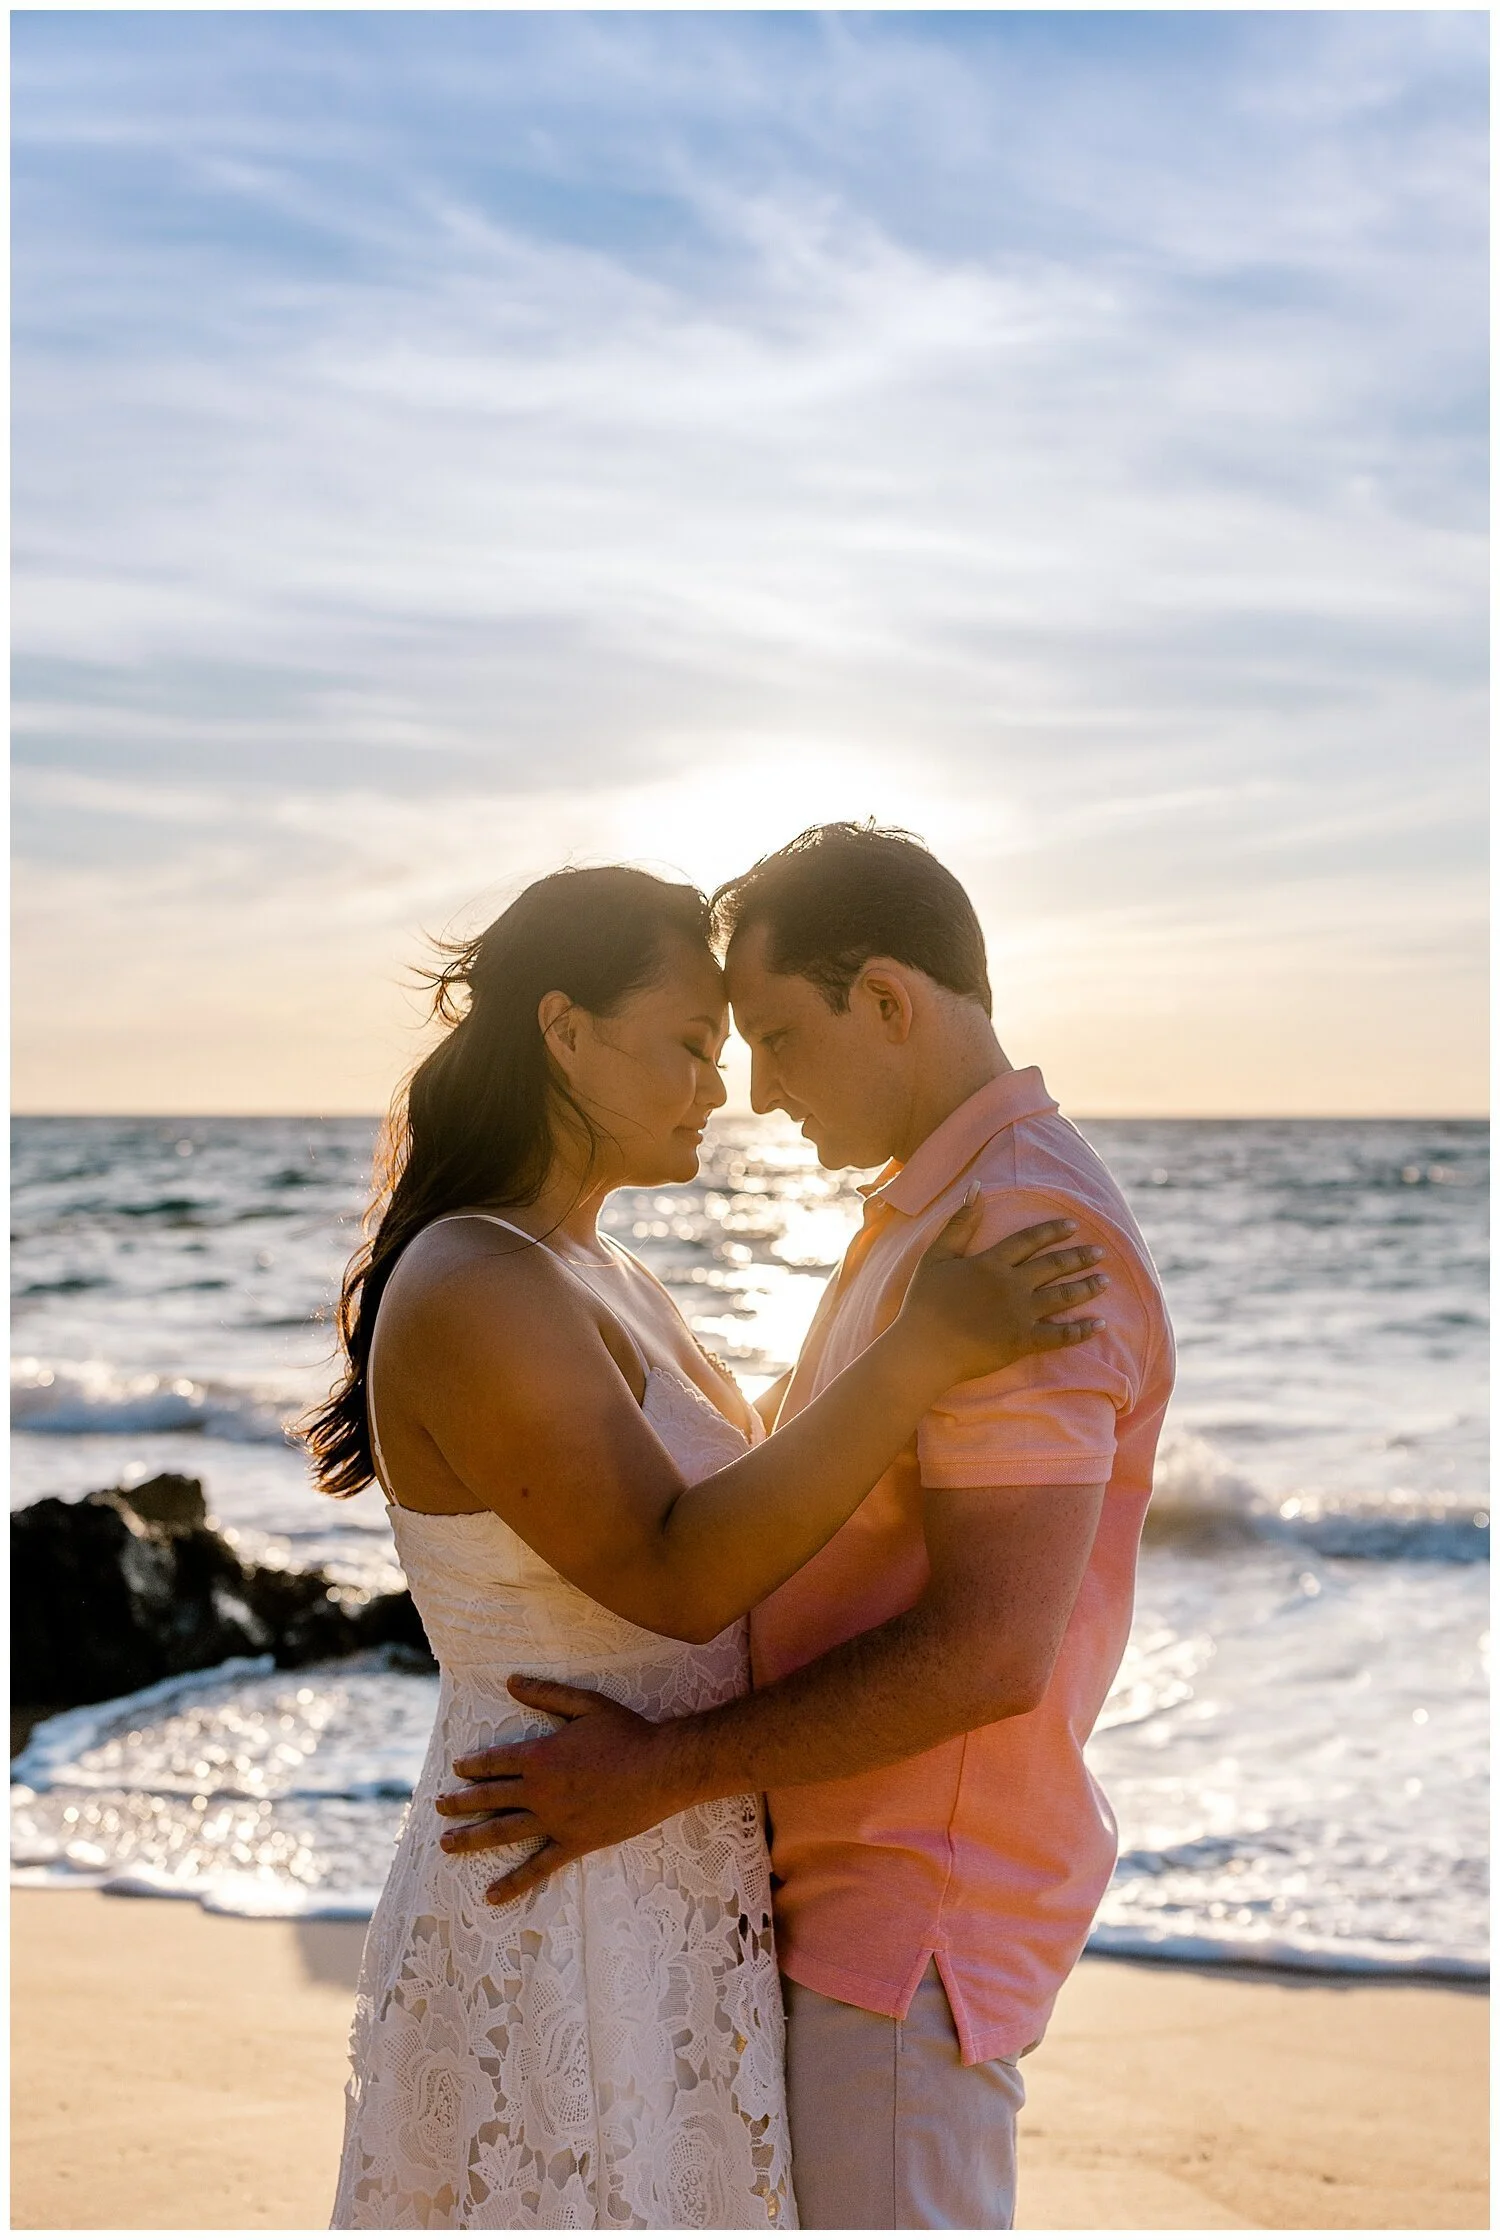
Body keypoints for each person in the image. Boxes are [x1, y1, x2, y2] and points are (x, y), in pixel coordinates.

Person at [305, 862, 1109, 2231]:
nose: (724, 1092)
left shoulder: (599, 1272)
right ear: (565, 1032)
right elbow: (681, 1577)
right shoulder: (479, 1284)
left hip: (670, 1867)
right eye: (689, 1047)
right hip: (561, 1873)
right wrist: (921, 1353)